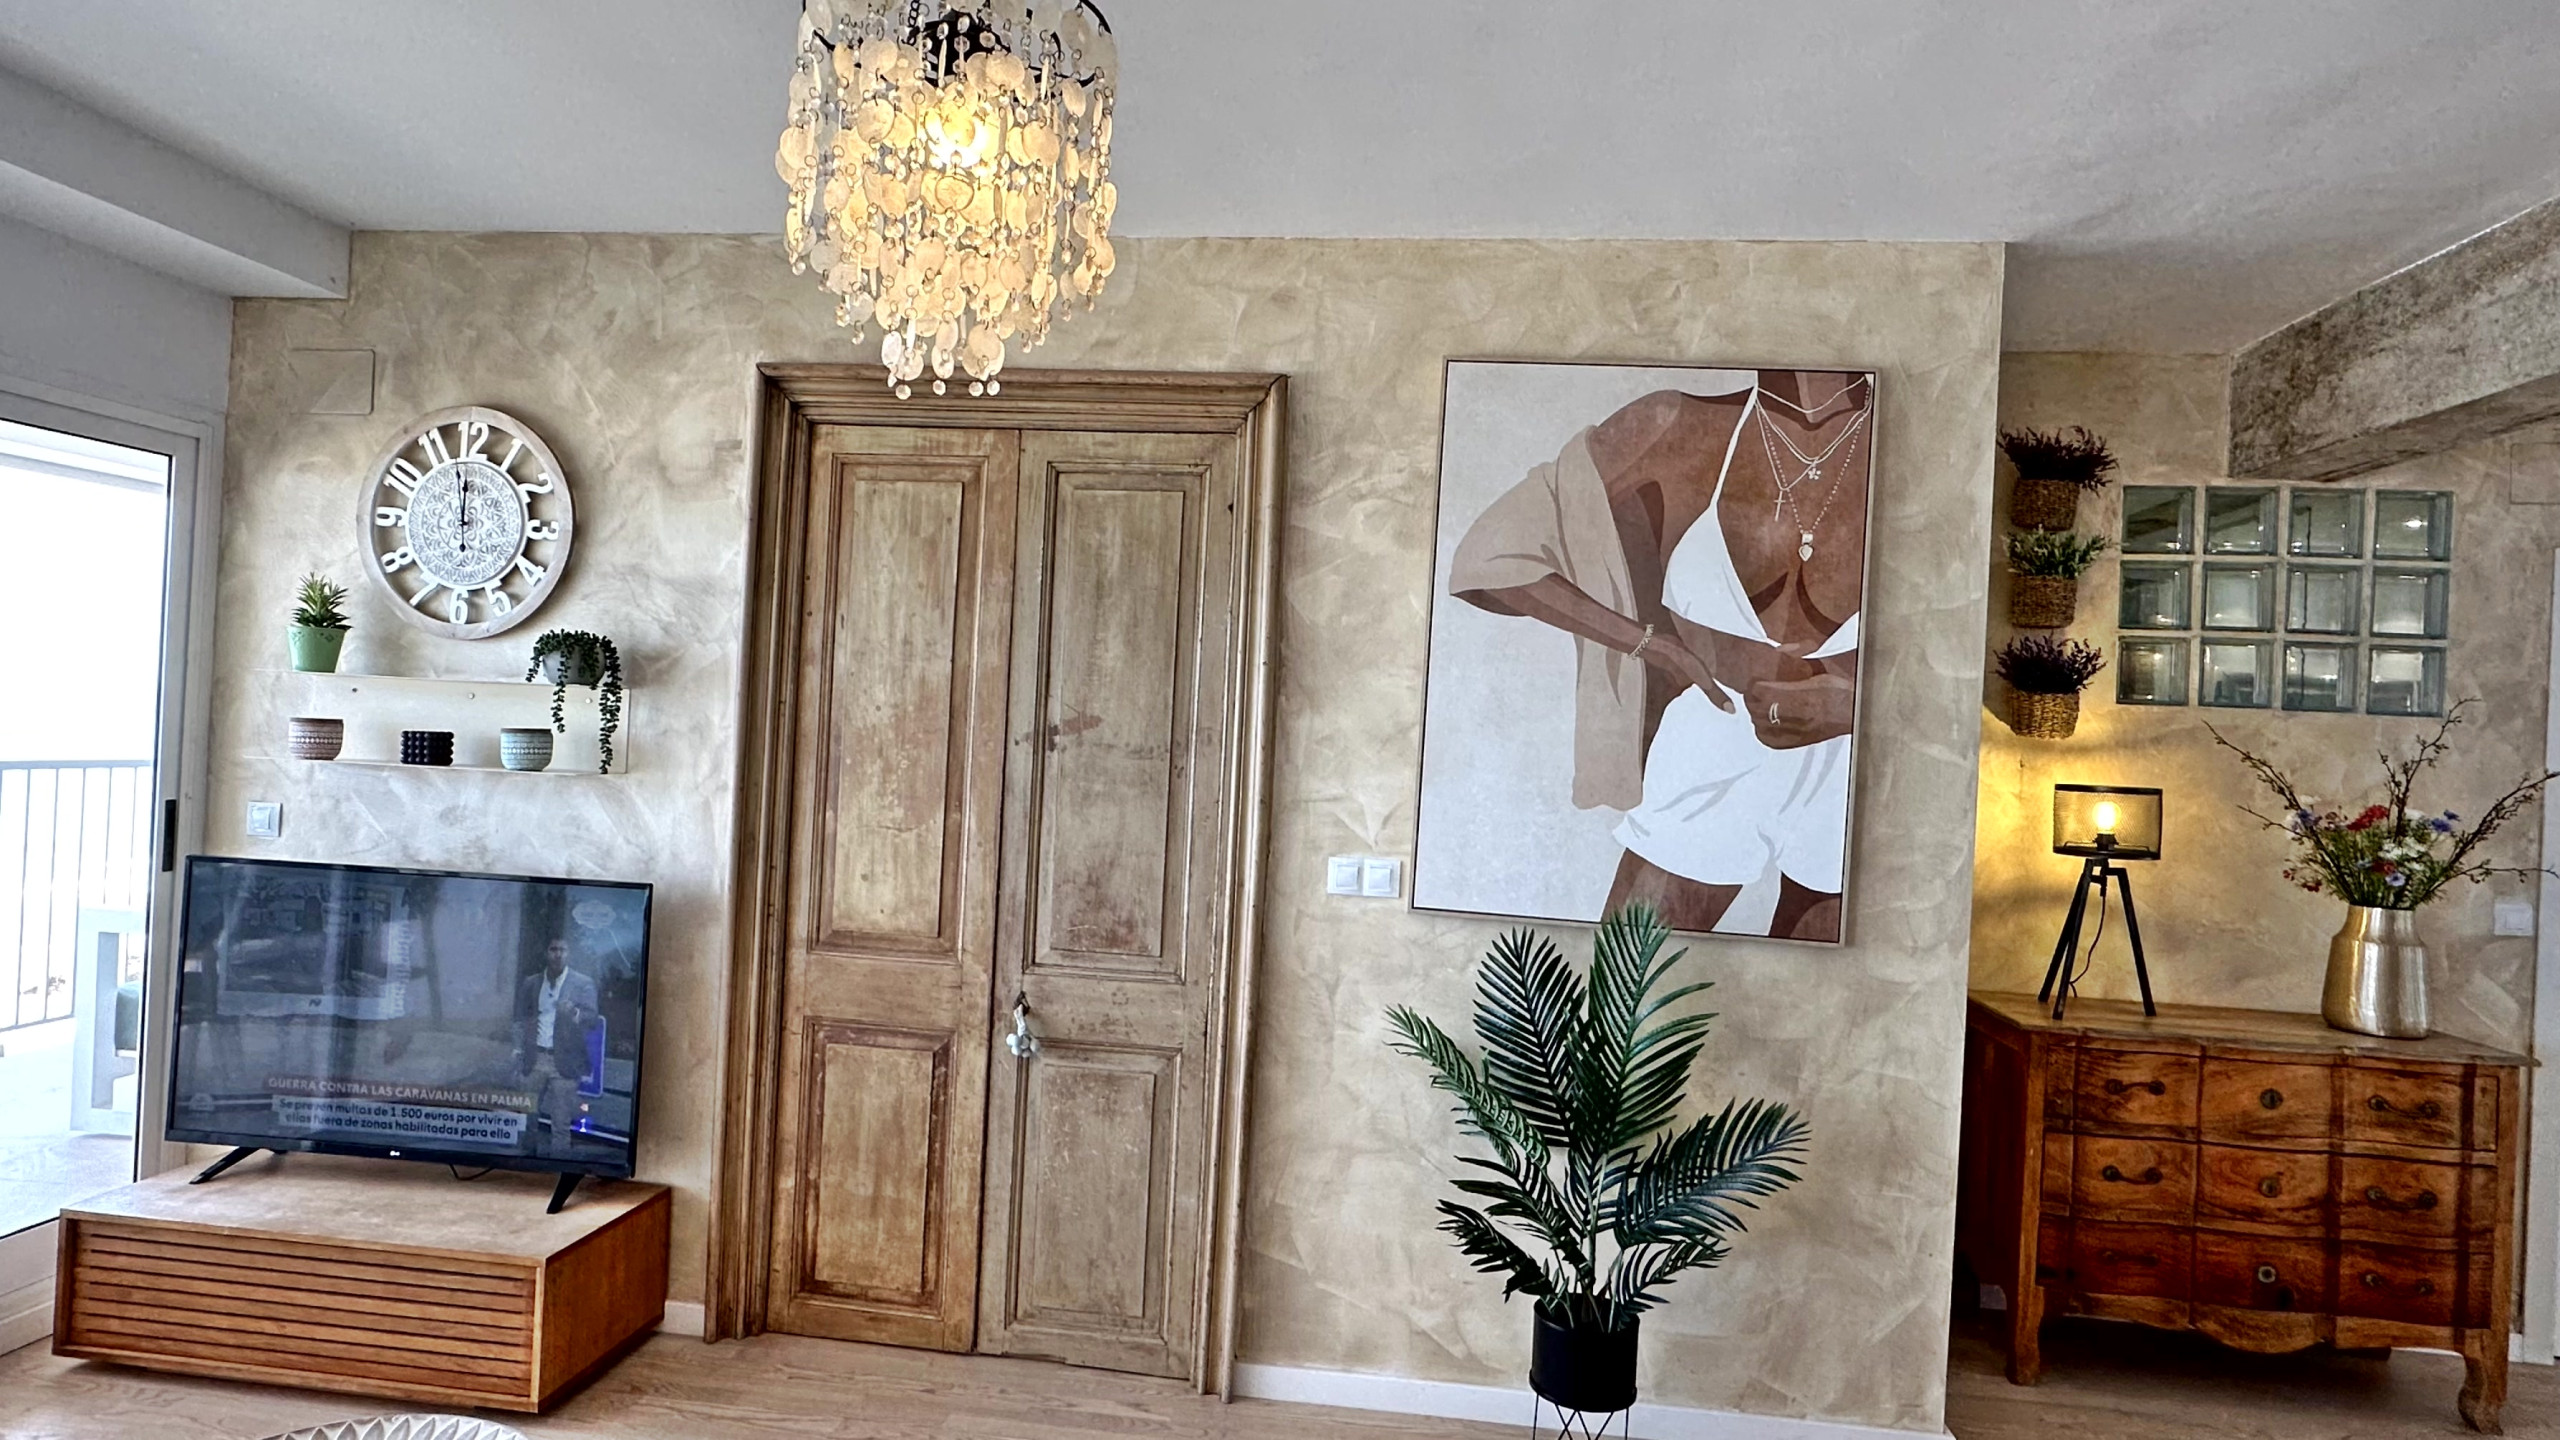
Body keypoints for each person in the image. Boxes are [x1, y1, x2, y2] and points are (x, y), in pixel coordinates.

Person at [1448, 369, 1870, 941]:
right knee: (1622, 986)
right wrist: (1654, 647)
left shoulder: (1903, 447)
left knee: (1826, 991)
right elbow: (1488, 558)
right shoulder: (1675, 424)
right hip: (1712, 747)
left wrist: (1858, 707)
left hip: (1852, 768)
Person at [510, 937, 598, 1157]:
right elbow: (520, 1019)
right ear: (546, 953)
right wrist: (518, 1049)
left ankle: (558, 1165)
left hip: (565, 1063)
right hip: (535, 1059)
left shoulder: (582, 983)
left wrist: (574, 1012)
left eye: (563, 950)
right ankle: (526, 1165)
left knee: (561, 1123)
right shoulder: (531, 983)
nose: (558, 954)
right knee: (527, 1119)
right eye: (553, 949)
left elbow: (592, 1019)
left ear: (569, 954)